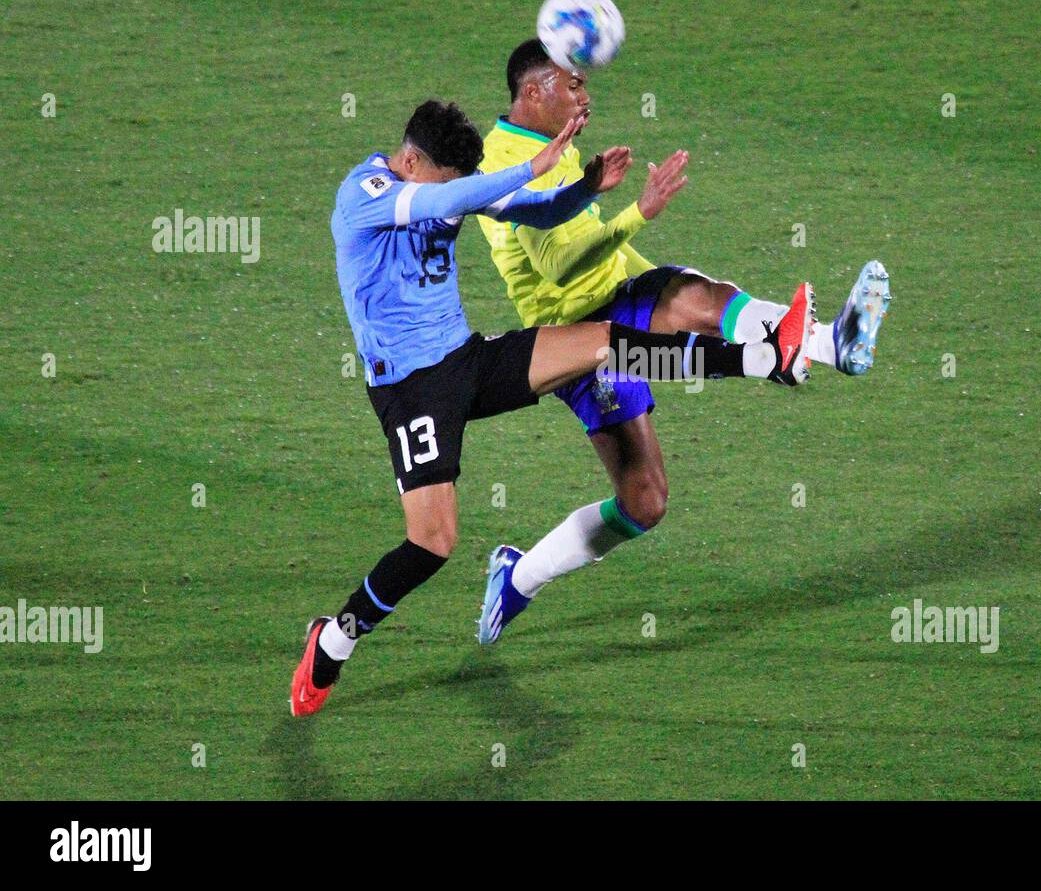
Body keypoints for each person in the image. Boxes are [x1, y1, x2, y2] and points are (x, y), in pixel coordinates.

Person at [290, 99, 813, 716]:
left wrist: (585, 188)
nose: (461, 193)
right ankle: (335, 639)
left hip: (465, 361)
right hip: (412, 391)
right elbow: (437, 204)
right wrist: (532, 163)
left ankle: (765, 357)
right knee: (432, 542)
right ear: (411, 160)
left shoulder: (441, 183)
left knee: (605, 348)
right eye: (451, 179)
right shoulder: (368, 193)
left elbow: (531, 210)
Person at [471, 40, 892, 643]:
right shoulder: (504, 163)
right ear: (533, 91)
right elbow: (559, 267)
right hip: (579, 338)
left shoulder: (550, 141)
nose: (585, 97)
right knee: (644, 502)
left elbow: (599, 246)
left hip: (620, 296)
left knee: (699, 297)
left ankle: (830, 343)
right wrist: (637, 212)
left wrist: (652, 271)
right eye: (573, 85)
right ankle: (521, 575)